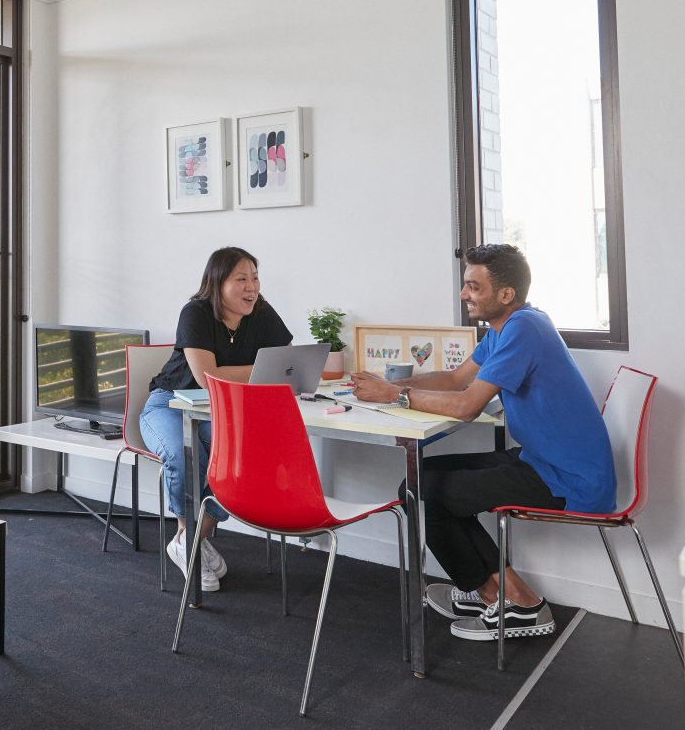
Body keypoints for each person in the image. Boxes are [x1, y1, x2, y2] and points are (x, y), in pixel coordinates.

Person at [351, 244, 613, 642]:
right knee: (418, 482)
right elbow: (457, 379)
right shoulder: (507, 328)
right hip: (543, 462)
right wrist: (390, 383)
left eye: (473, 287)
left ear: (505, 295)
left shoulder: (525, 328)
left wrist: (393, 396)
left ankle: (521, 604)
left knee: (422, 489)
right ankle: (491, 594)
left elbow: (467, 405)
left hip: (571, 480)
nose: (463, 295)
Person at [140, 246, 293, 591]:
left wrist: (264, 371)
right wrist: (262, 371)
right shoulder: (194, 313)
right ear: (217, 282)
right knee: (184, 454)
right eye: (241, 278)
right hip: (168, 405)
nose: (251, 286)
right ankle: (188, 535)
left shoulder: (261, 312)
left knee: (243, 457)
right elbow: (207, 374)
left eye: (254, 277)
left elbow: (285, 362)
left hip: (222, 411)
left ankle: (190, 539)